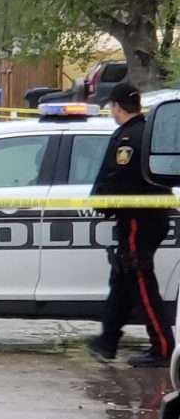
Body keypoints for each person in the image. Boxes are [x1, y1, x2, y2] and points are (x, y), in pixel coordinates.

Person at [87, 83, 175, 367]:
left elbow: (120, 180)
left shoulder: (129, 137)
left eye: (111, 106)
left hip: (139, 217)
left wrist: (102, 202)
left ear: (116, 106)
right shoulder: (147, 131)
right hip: (145, 215)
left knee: (140, 279)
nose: (110, 111)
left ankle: (163, 347)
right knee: (124, 276)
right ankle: (108, 339)